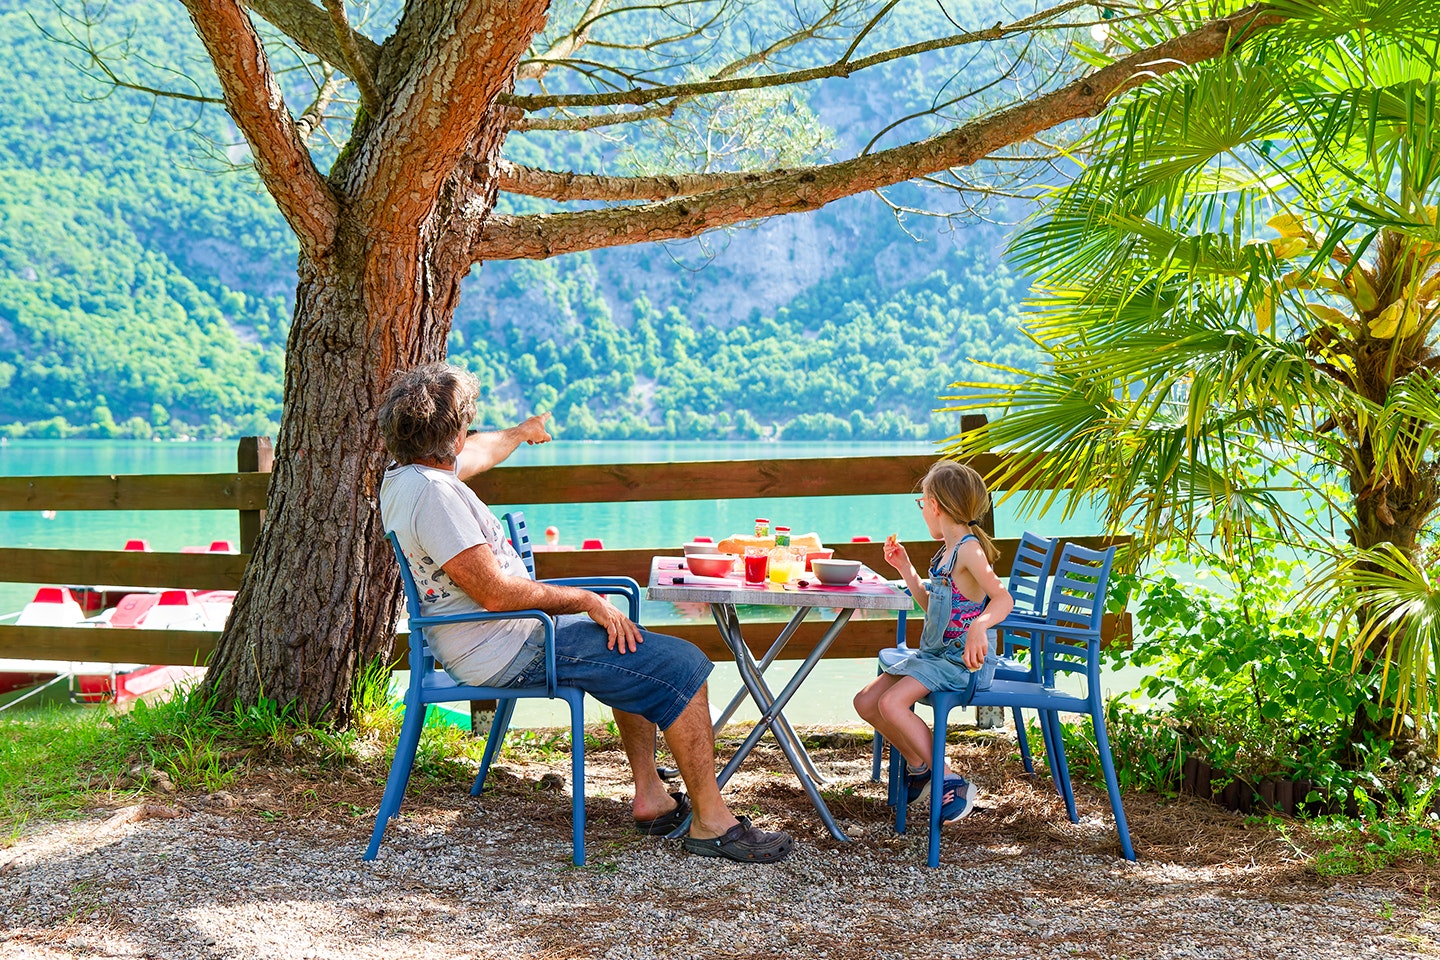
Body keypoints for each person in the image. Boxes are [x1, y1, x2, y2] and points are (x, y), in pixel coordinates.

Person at [377, 362, 792, 864]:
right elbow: (495, 594)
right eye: (469, 422)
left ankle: (651, 798)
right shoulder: (435, 496)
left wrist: (521, 432)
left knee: (628, 641)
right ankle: (712, 823)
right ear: (453, 432)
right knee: (682, 664)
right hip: (508, 643)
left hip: (505, 635)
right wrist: (586, 600)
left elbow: (481, 452)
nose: (473, 432)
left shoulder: (411, 475)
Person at [853, 461, 1014, 823]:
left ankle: (948, 780)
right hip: (934, 656)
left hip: (960, 662)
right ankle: (920, 768)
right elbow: (936, 609)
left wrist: (979, 626)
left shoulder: (970, 551)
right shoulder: (946, 552)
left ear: (935, 505)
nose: (922, 510)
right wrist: (906, 570)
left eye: (922, 502)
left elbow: (1003, 599)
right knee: (866, 701)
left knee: (892, 703)